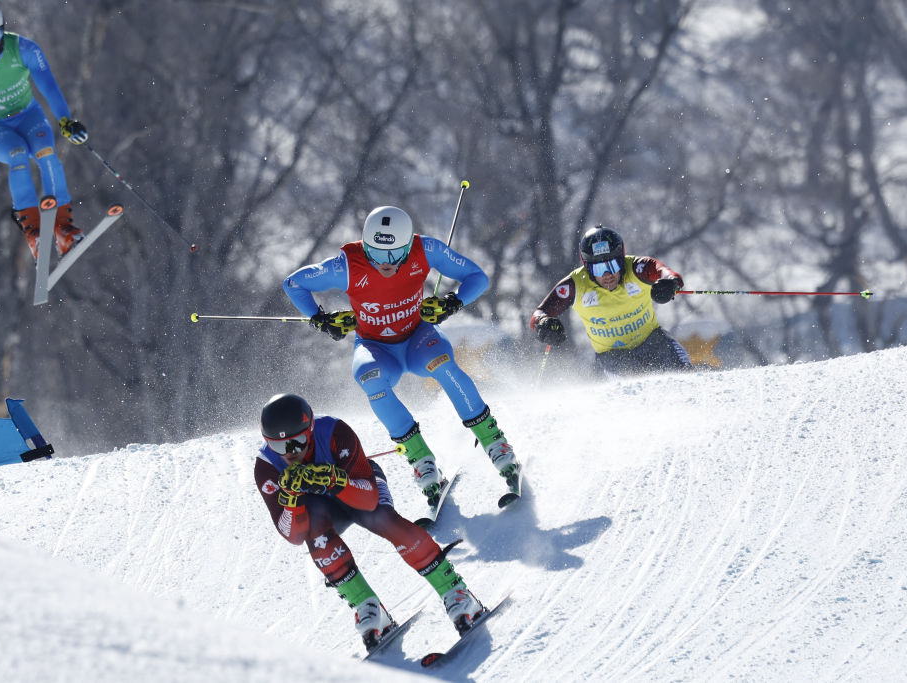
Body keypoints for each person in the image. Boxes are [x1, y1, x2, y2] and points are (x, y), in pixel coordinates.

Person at [282, 206, 521, 508]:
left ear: (409, 244)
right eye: (376, 254)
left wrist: (452, 303)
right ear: (365, 245)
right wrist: (321, 319)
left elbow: (477, 277)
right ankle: (421, 460)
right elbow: (293, 283)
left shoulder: (427, 249)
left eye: (395, 255)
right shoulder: (346, 266)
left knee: (444, 367)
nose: (386, 263)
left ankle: (494, 441)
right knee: (369, 378)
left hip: (419, 341)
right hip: (378, 350)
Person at [255, 393, 485, 650]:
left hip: (359, 490)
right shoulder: (266, 467)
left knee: (382, 518)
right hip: (322, 511)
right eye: (279, 446)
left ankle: (455, 591)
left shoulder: (334, 431)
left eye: (297, 442)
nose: (291, 453)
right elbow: (293, 535)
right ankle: (368, 607)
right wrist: (291, 500)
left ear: (310, 430)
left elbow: (369, 499)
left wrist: (335, 480)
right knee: (314, 535)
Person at [0, 1, 90, 260]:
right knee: (18, 154)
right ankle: (34, 233)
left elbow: (50, 87)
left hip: (29, 116)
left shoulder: (24, 49)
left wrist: (65, 120)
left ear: (2, 29)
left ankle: (64, 229)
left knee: (46, 152)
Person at [530, 225, 692, 377]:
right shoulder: (575, 284)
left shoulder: (637, 268)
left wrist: (670, 283)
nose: (607, 274)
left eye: (613, 265)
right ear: (588, 267)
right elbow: (539, 314)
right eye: (599, 269)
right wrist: (543, 324)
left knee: (687, 378)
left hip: (655, 344)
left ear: (622, 260)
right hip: (613, 358)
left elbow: (665, 272)